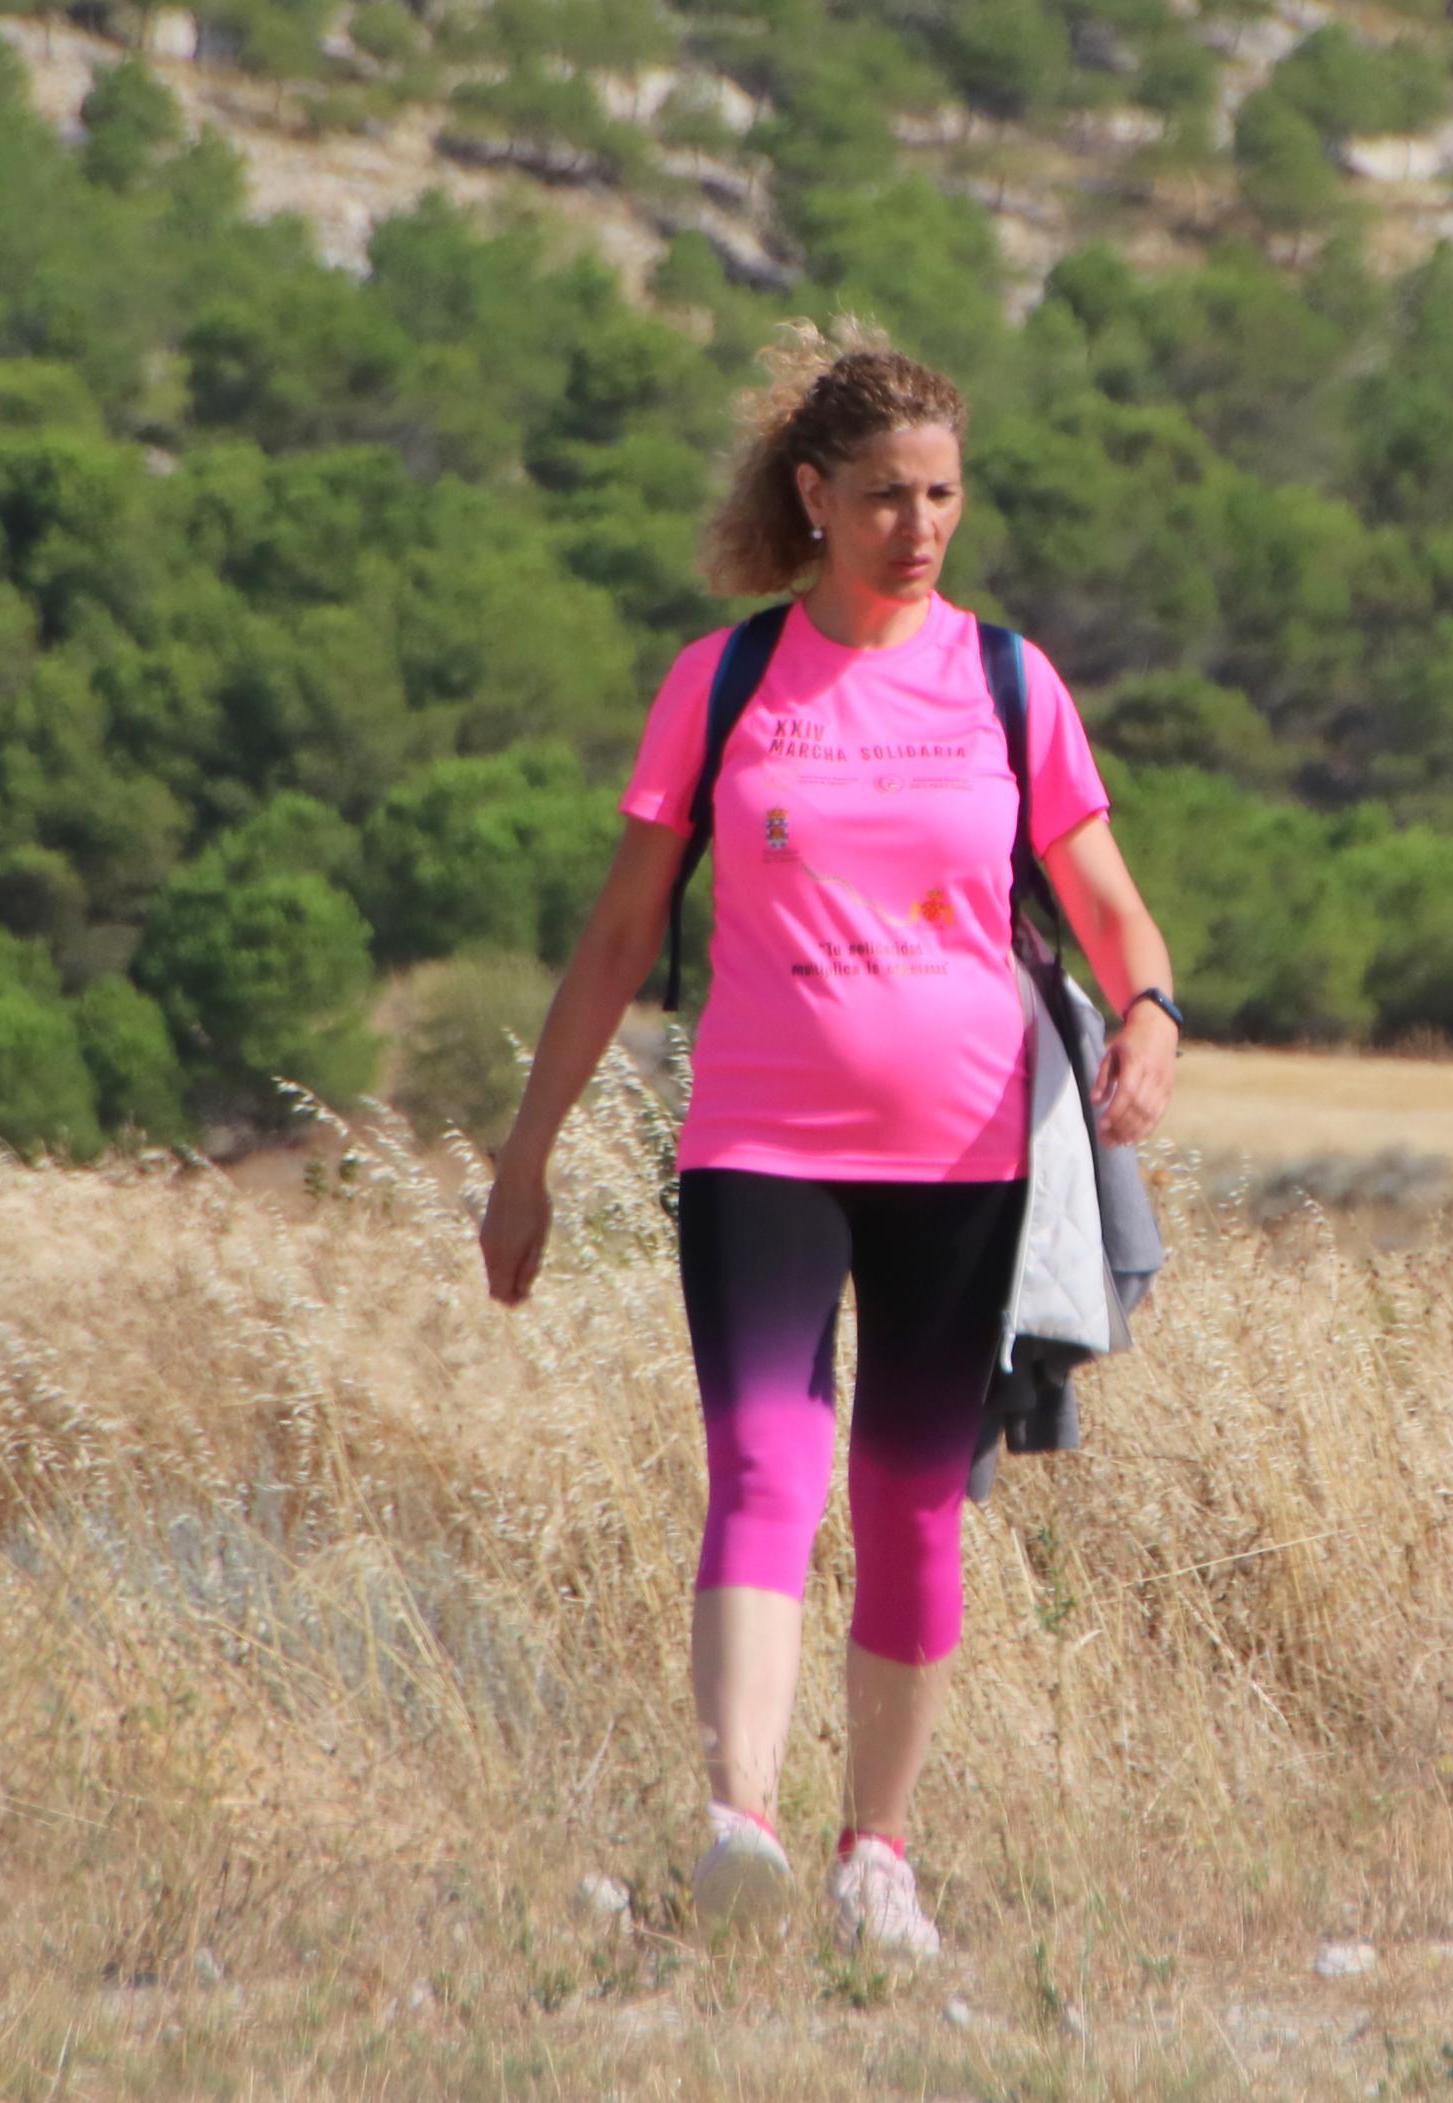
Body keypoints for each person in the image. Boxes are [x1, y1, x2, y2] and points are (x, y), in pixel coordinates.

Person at [479, 334, 1183, 1963]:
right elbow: (615, 940)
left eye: (941, 496)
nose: (917, 527)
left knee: (912, 1500)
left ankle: (879, 1857)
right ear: (814, 496)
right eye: (883, 497)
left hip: (967, 1153)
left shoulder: (1011, 682)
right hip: (759, 1146)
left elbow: (1106, 899)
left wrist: (1149, 1011)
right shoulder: (725, 683)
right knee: (762, 1469)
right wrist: (526, 1157)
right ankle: (740, 1826)